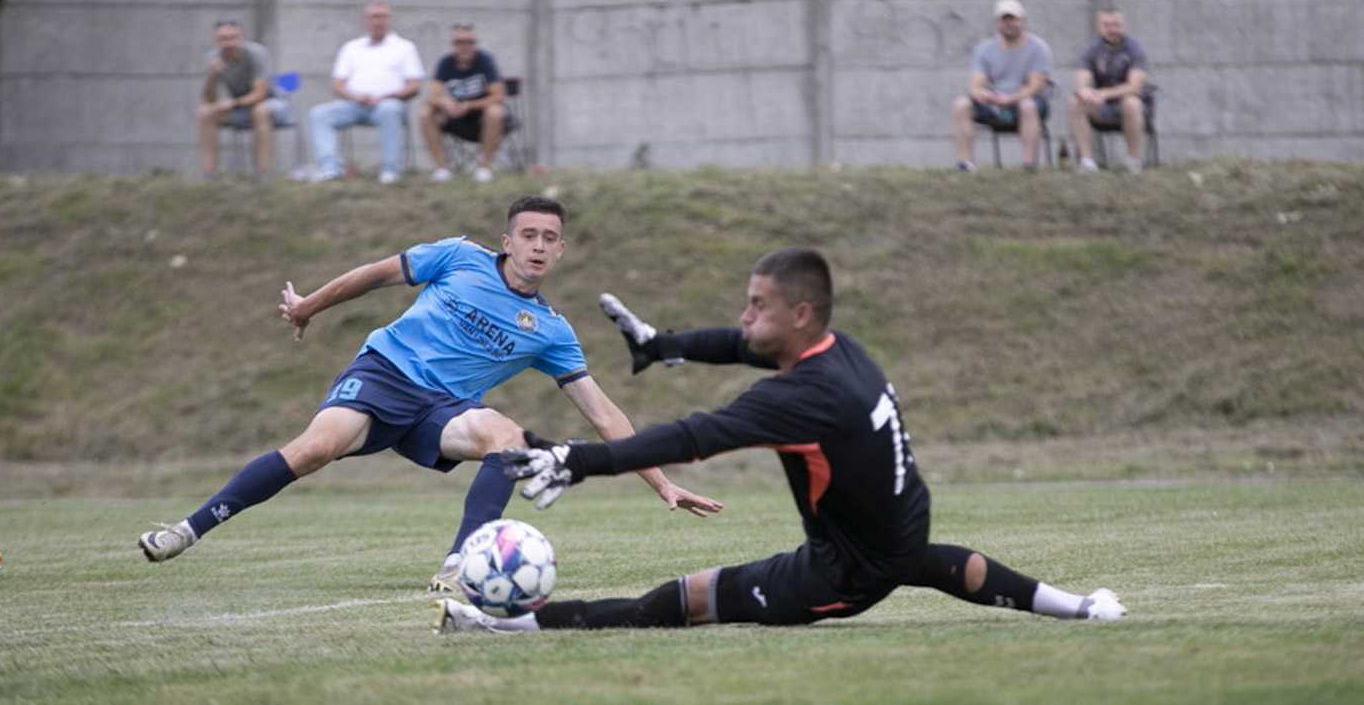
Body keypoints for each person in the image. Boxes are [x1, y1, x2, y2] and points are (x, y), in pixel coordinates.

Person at [431, 248, 1125, 634]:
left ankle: (511, 626)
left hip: (839, 574)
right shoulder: (834, 351)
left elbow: (696, 435)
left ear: (798, 313)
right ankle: (1080, 606)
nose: (745, 315)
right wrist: (661, 345)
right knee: (944, 566)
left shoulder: (804, 399)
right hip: (899, 533)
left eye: (759, 304)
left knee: (682, 600)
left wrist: (576, 458)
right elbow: (740, 345)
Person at [138, 195, 721, 593]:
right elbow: (373, 273)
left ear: (561, 250)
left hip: (440, 411)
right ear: (508, 240)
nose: (539, 246)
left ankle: (460, 565)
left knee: (509, 439)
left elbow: (602, 412)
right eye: (529, 235)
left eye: (550, 238)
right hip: (385, 374)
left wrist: (662, 482)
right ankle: (186, 531)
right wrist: (309, 305)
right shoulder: (458, 257)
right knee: (316, 450)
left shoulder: (551, 330)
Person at [307, 1, 426, 185]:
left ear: (389, 19)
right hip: (355, 104)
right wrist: (356, 97)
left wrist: (388, 96)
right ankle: (331, 168)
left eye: (382, 16)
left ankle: (390, 170)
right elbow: (337, 85)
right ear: (366, 20)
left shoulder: (404, 47)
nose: (378, 21)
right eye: (374, 17)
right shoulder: (351, 48)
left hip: (389, 104)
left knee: (390, 110)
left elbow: (415, 84)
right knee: (319, 114)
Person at [952, 0, 1054, 172]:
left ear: (1022, 20)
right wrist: (983, 95)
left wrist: (1011, 98)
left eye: (1013, 19)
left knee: (1028, 106)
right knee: (961, 104)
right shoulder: (984, 49)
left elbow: (1036, 86)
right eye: (1004, 19)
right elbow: (975, 85)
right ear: (997, 23)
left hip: (1026, 102)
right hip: (994, 103)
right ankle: (965, 163)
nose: (1009, 24)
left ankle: (1028, 165)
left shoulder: (1038, 48)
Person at [196, 20, 293, 178]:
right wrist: (212, 77)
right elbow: (210, 99)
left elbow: (260, 93)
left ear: (241, 38)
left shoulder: (257, 54)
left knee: (260, 111)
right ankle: (209, 174)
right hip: (240, 108)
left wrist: (233, 103)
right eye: (223, 39)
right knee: (205, 112)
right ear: (216, 41)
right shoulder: (213, 58)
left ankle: (262, 174)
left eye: (232, 37)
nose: (228, 43)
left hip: (272, 103)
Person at [420, 24, 512, 184]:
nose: (465, 47)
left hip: (481, 119)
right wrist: (445, 102)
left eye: (469, 42)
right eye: (460, 42)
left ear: (475, 43)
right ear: (453, 44)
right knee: (425, 113)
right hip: (455, 119)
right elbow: (432, 95)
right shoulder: (446, 63)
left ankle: (485, 167)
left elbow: (498, 95)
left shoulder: (484, 61)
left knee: (495, 111)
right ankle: (442, 168)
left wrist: (469, 105)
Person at [1068, 8, 1151, 174]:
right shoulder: (1091, 50)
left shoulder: (1135, 49)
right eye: (1107, 25)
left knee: (1131, 103)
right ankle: (1087, 162)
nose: (1112, 29)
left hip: (1131, 107)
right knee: (1075, 102)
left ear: (1123, 26)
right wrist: (1085, 92)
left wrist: (1104, 93)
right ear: (1099, 27)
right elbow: (1082, 80)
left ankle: (1133, 161)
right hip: (1101, 106)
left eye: (1116, 25)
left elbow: (1134, 87)